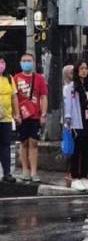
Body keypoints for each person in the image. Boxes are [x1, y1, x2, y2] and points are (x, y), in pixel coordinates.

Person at [63, 60, 88, 192]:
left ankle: (84, 177)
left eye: (86, 68)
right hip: (76, 122)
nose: (84, 71)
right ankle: (75, 177)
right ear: (77, 70)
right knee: (77, 151)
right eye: (81, 68)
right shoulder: (71, 87)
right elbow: (68, 105)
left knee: (87, 150)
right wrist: (68, 120)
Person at [13, 52, 48, 183]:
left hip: (35, 115)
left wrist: (43, 114)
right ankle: (25, 171)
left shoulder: (39, 78)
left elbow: (44, 97)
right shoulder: (16, 78)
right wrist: (16, 115)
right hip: (21, 116)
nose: (26, 63)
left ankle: (34, 172)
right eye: (24, 60)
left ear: (33, 63)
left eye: (29, 60)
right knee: (23, 142)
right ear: (20, 63)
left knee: (33, 142)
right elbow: (14, 98)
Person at [0, 56, 20, 183]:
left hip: (5, 119)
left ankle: (7, 173)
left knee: (5, 146)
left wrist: (16, 114)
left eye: (2, 62)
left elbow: (14, 98)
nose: (1, 64)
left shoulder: (9, 78)